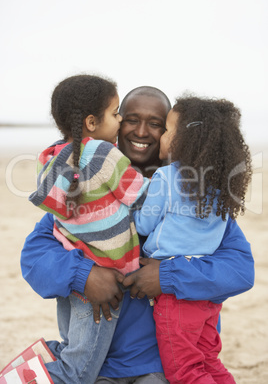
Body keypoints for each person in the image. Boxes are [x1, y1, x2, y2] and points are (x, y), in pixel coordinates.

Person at [18, 87, 254, 384]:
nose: (142, 132)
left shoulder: (197, 197)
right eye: (130, 119)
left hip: (163, 363)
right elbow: (34, 256)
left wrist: (166, 276)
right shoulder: (84, 191)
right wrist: (84, 275)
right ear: (116, 125)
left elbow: (240, 270)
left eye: (157, 124)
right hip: (98, 363)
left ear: (173, 133)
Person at [26, 75, 151, 383]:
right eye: (117, 113)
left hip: (75, 290)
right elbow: (142, 195)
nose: (120, 121)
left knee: (74, 351)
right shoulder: (104, 154)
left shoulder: (55, 158)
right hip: (99, 287)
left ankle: (39, 365)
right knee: (76, 373)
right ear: (92, 122)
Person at [132, 95, 252, 383]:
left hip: (176, 300)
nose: (160, 135)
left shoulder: (164, 177)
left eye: (167, 129)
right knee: (209, 361)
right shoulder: (218, 187)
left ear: (183, 139)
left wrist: (134, 205)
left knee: (185, 371)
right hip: (208, 298)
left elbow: (143, 221)